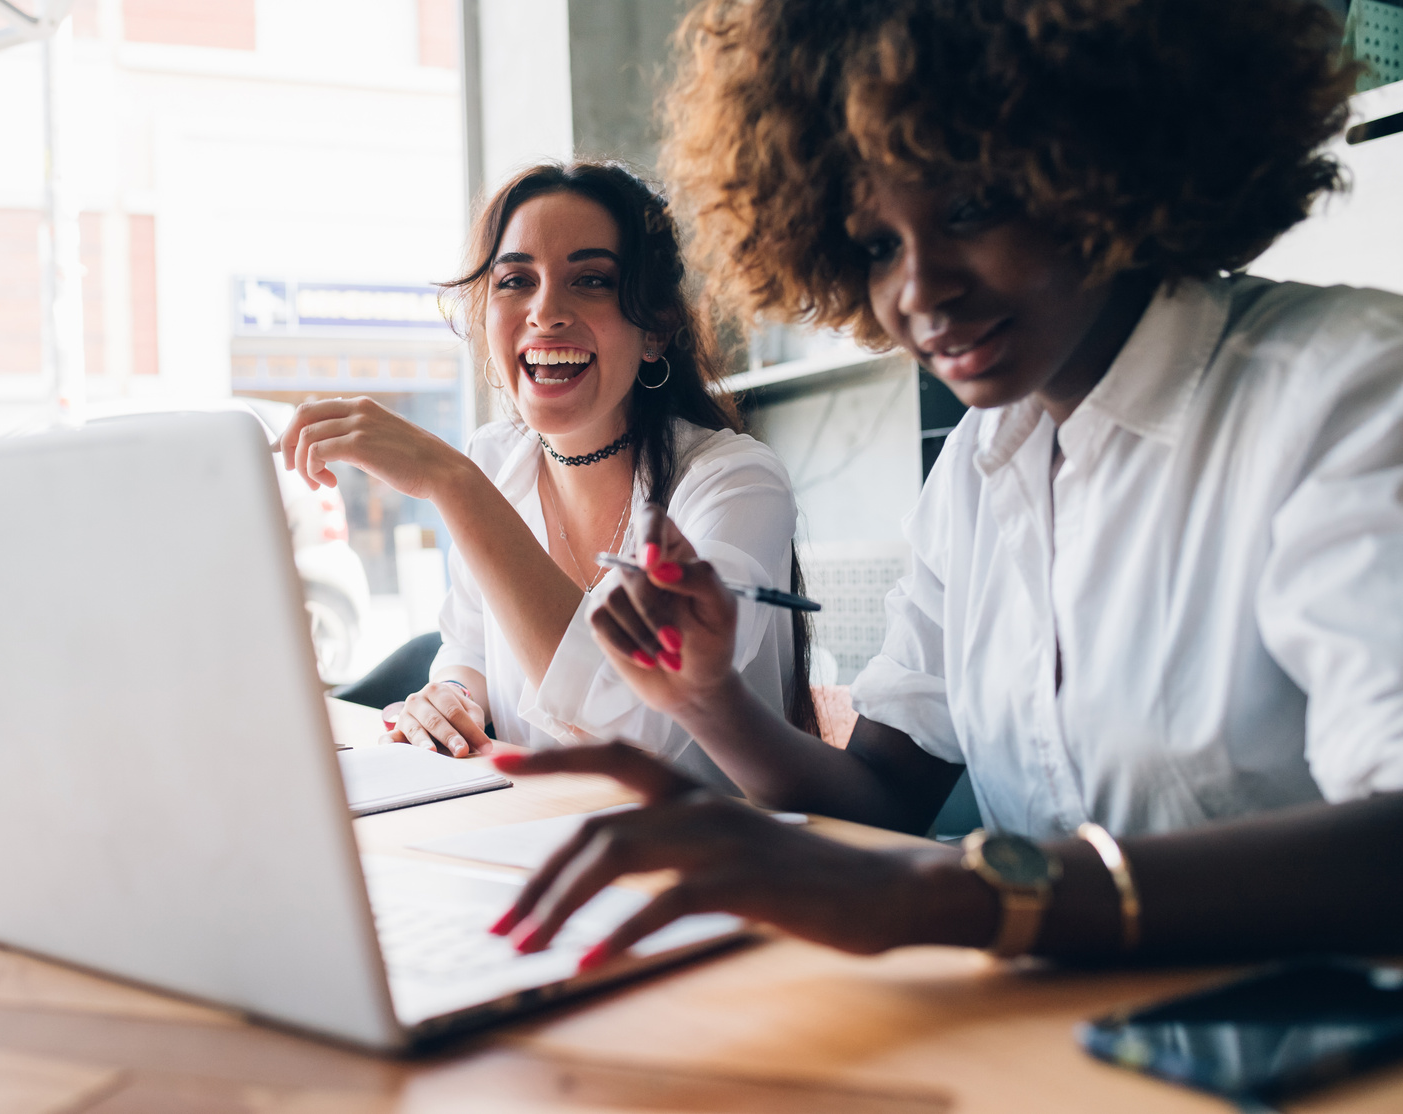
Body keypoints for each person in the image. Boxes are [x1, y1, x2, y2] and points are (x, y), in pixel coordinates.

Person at [487, 0, 1403, 969]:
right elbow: (884, 794)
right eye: (876, 243)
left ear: (1102, 165)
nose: (918, 289)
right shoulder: (977, 466)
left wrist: (944, 893)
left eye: (969, 209)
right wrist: (709, 698)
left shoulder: (1346, 394)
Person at [277, 161, 813, 785]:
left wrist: (454, 485)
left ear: (656, 329)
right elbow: (469, 648)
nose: (545, 311)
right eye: (515, 280)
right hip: (533, 837)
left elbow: (631, 719)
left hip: (712, 862)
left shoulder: (735, 481)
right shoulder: (495, 462)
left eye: (590, 280)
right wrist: (453, 696)